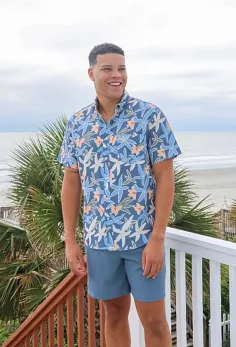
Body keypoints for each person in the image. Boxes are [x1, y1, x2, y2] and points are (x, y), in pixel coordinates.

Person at [58, 43, 181, 347]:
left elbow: (166, 178)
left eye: (122, 68)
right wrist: (71, 240)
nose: (117, 75)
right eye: (108, 69)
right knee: (113, 315)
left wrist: (157, 238)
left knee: (153, 319)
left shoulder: (149, 116)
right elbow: (71, 181)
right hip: (99, 240)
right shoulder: (77, 123)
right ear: (91, 73)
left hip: (142, 240)